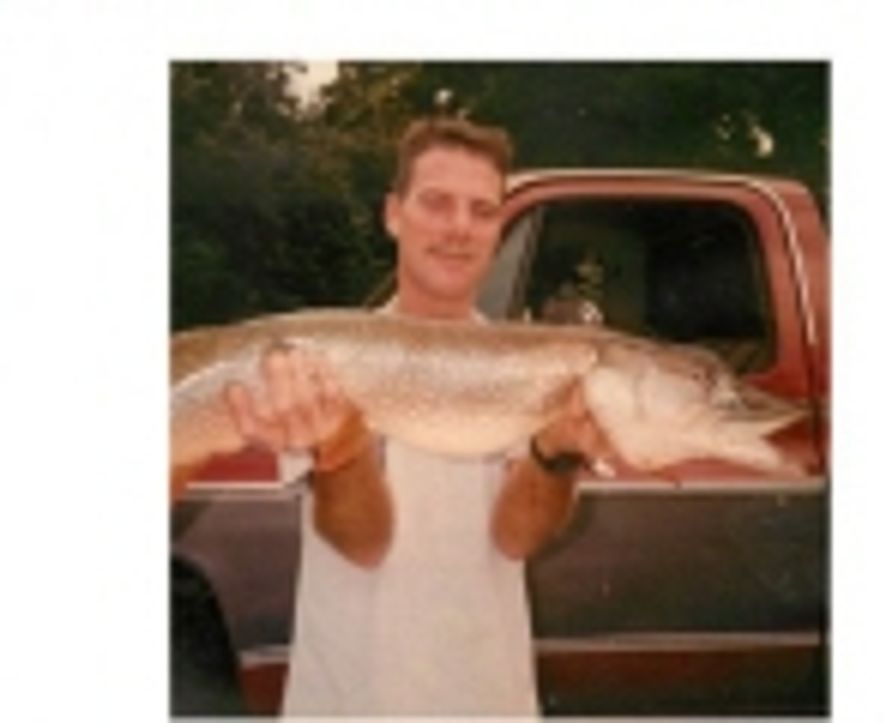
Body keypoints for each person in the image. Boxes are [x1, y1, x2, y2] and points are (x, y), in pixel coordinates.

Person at [171, 117, 613, 716]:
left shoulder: (533, 365)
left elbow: (516, 538)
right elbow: (363, 544)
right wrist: (342, 450)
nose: (460, 227)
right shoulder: (318, 362)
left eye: (482, 211)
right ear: (393, 214)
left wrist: (555, 456)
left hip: (489, 697)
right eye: (436, 203)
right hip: (354, 699)